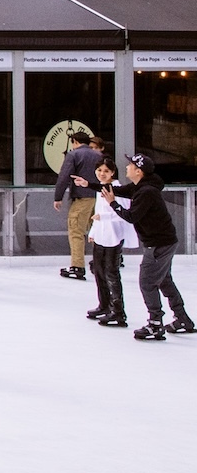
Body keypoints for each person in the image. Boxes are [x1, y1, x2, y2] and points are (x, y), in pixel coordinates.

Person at [105, 154, 194, 339]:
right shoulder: (141, 186)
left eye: (130, 165)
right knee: (163, 280)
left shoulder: (146, 192)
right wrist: (87, 184)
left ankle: (155, 324)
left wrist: (112, 203)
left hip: (158, 244)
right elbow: (117, 190)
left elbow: (131, 216)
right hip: (164, 241)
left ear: (139, 171)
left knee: (147, 282)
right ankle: (182, 318)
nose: (127, 167)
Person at [84, 158, 134, 328]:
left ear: (112, 172)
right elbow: (98, 212)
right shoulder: (100, 189)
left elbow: (124, 214)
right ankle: (104, 305)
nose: (102, 174)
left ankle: (118, 311)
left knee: (111, 273)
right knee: (99, 271)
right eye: (99, 170)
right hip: (101, 236)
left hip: (113, 236)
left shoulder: (119, 189)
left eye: (105, 171)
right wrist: (93, 231)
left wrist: (102, 218)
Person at [53, 129, 103, 281]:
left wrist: (58, 197)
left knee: (76, 230)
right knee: (97, 232)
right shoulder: (99, 155)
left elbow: (64, 176)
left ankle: (77, 266)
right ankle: (100, 263)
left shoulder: (73, 155)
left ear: (75, 142)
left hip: (82, 197)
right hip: (99, 198)